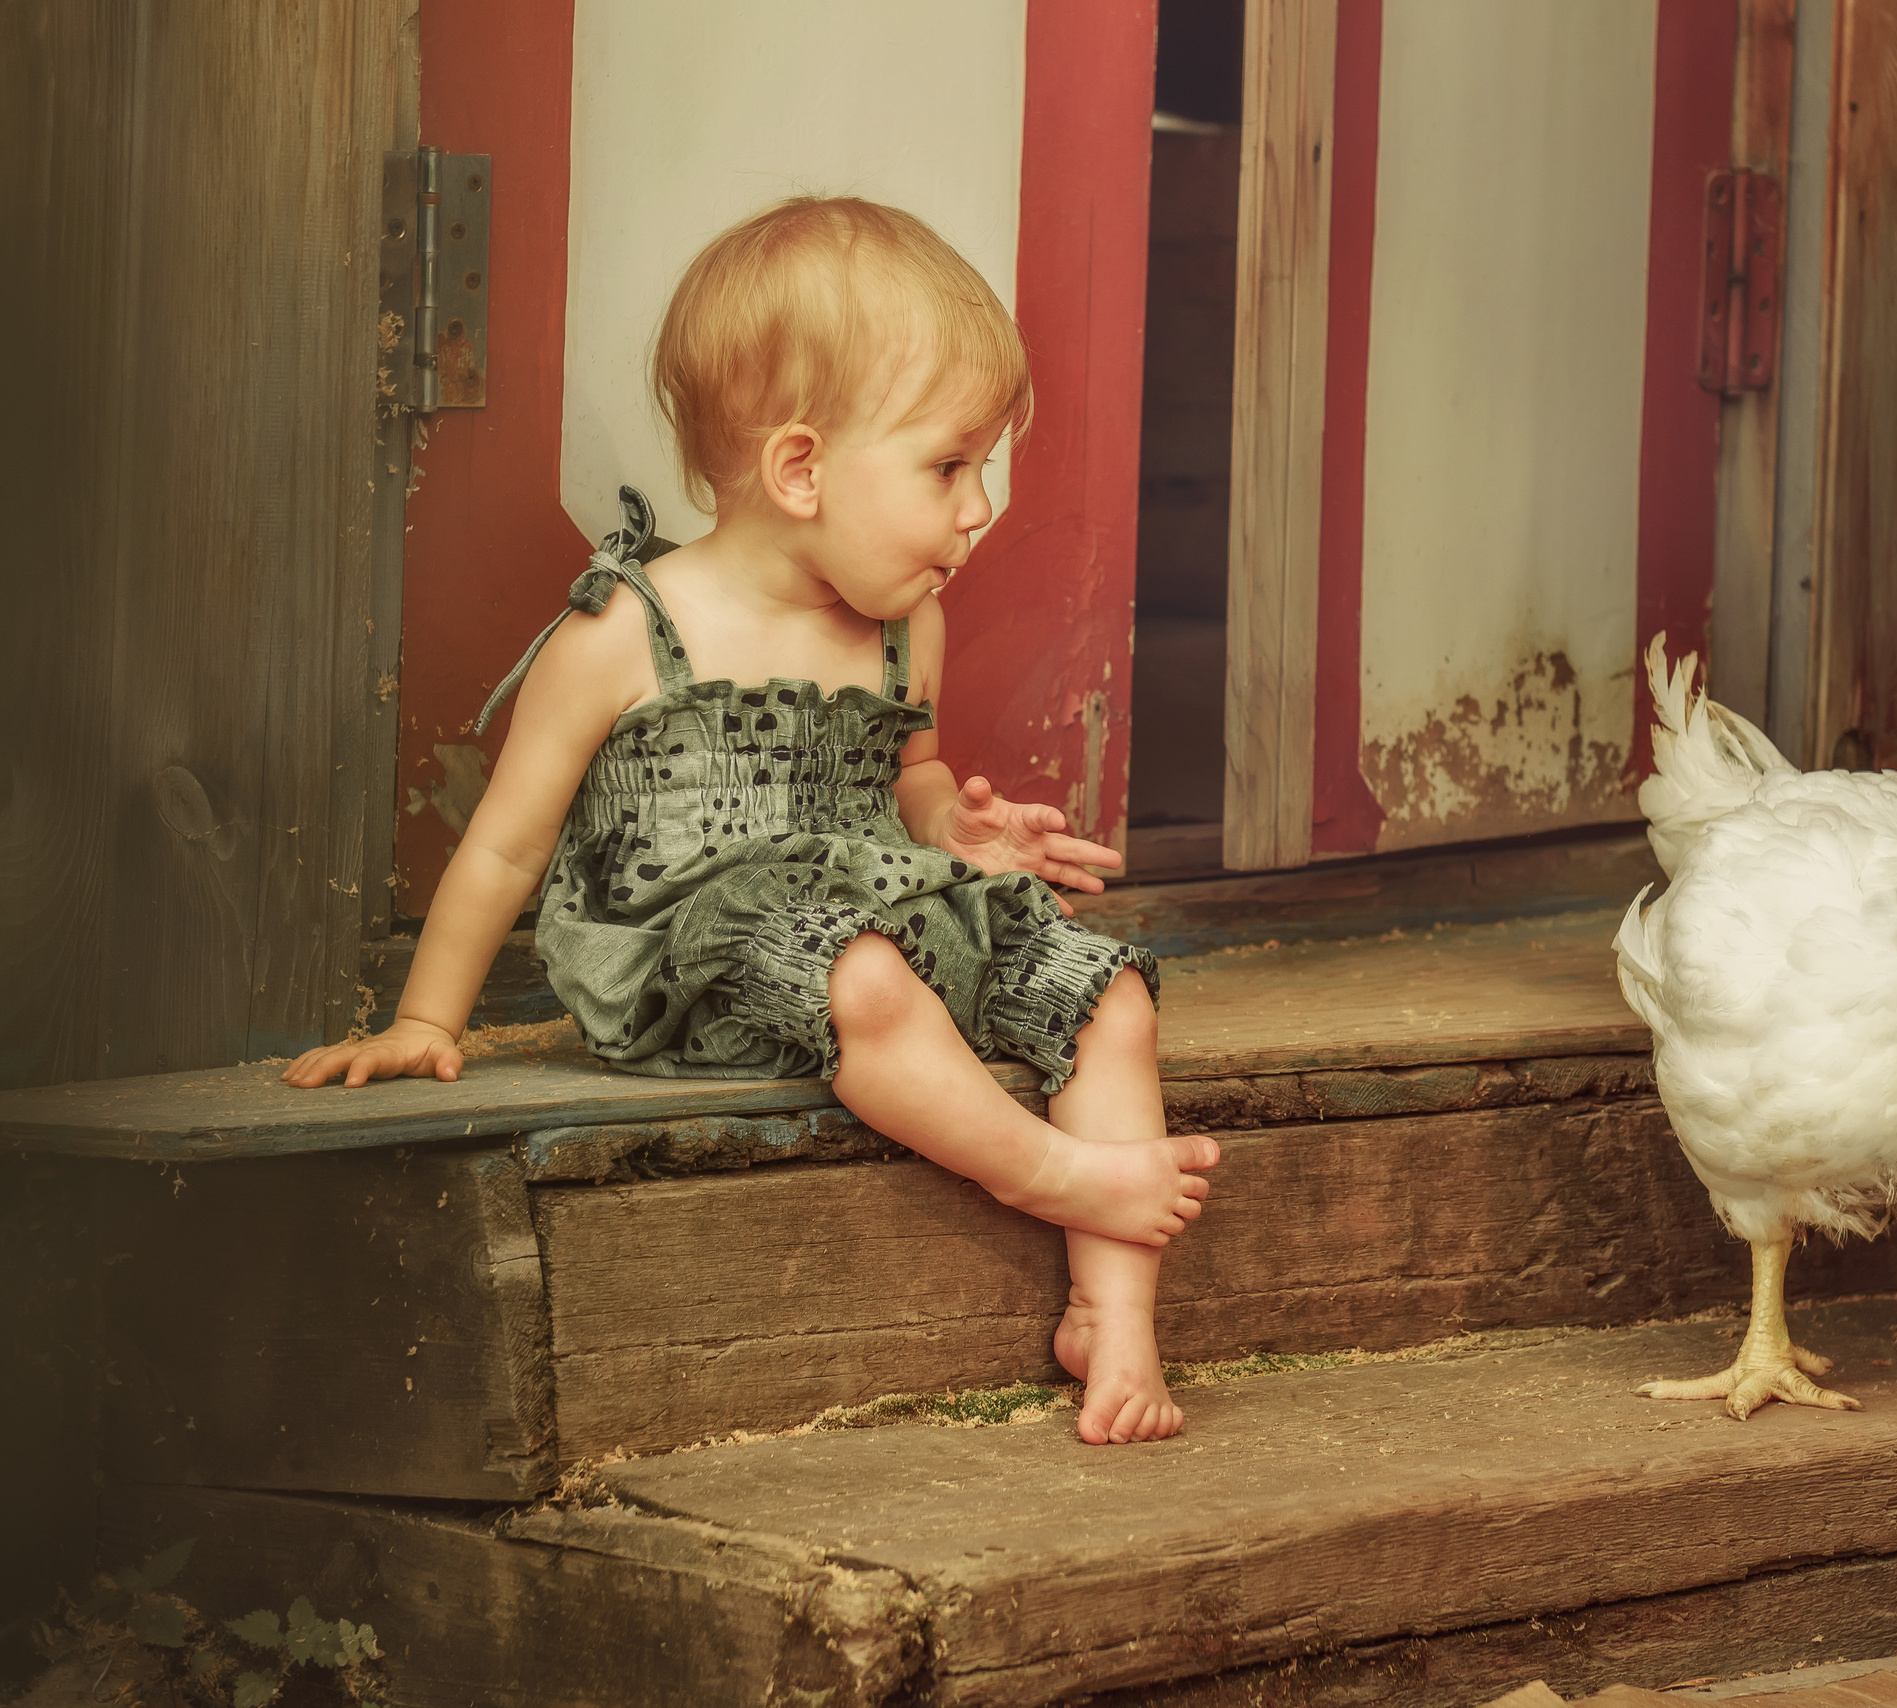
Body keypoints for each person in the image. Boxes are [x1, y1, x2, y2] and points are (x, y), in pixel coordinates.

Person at [285, 196, 1216, 1446]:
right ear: (800, 469)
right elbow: (507, 840)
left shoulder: (906, 625)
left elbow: (911, 776)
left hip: (873, 915)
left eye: (983, 466)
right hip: (702, 958)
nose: (980, 507)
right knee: (865, 976)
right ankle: (1055, 1176)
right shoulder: (629, 631)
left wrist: (953, 829)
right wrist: (426, 1020)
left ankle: (1115, 1313)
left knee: (1110, 995)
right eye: (949, 466)